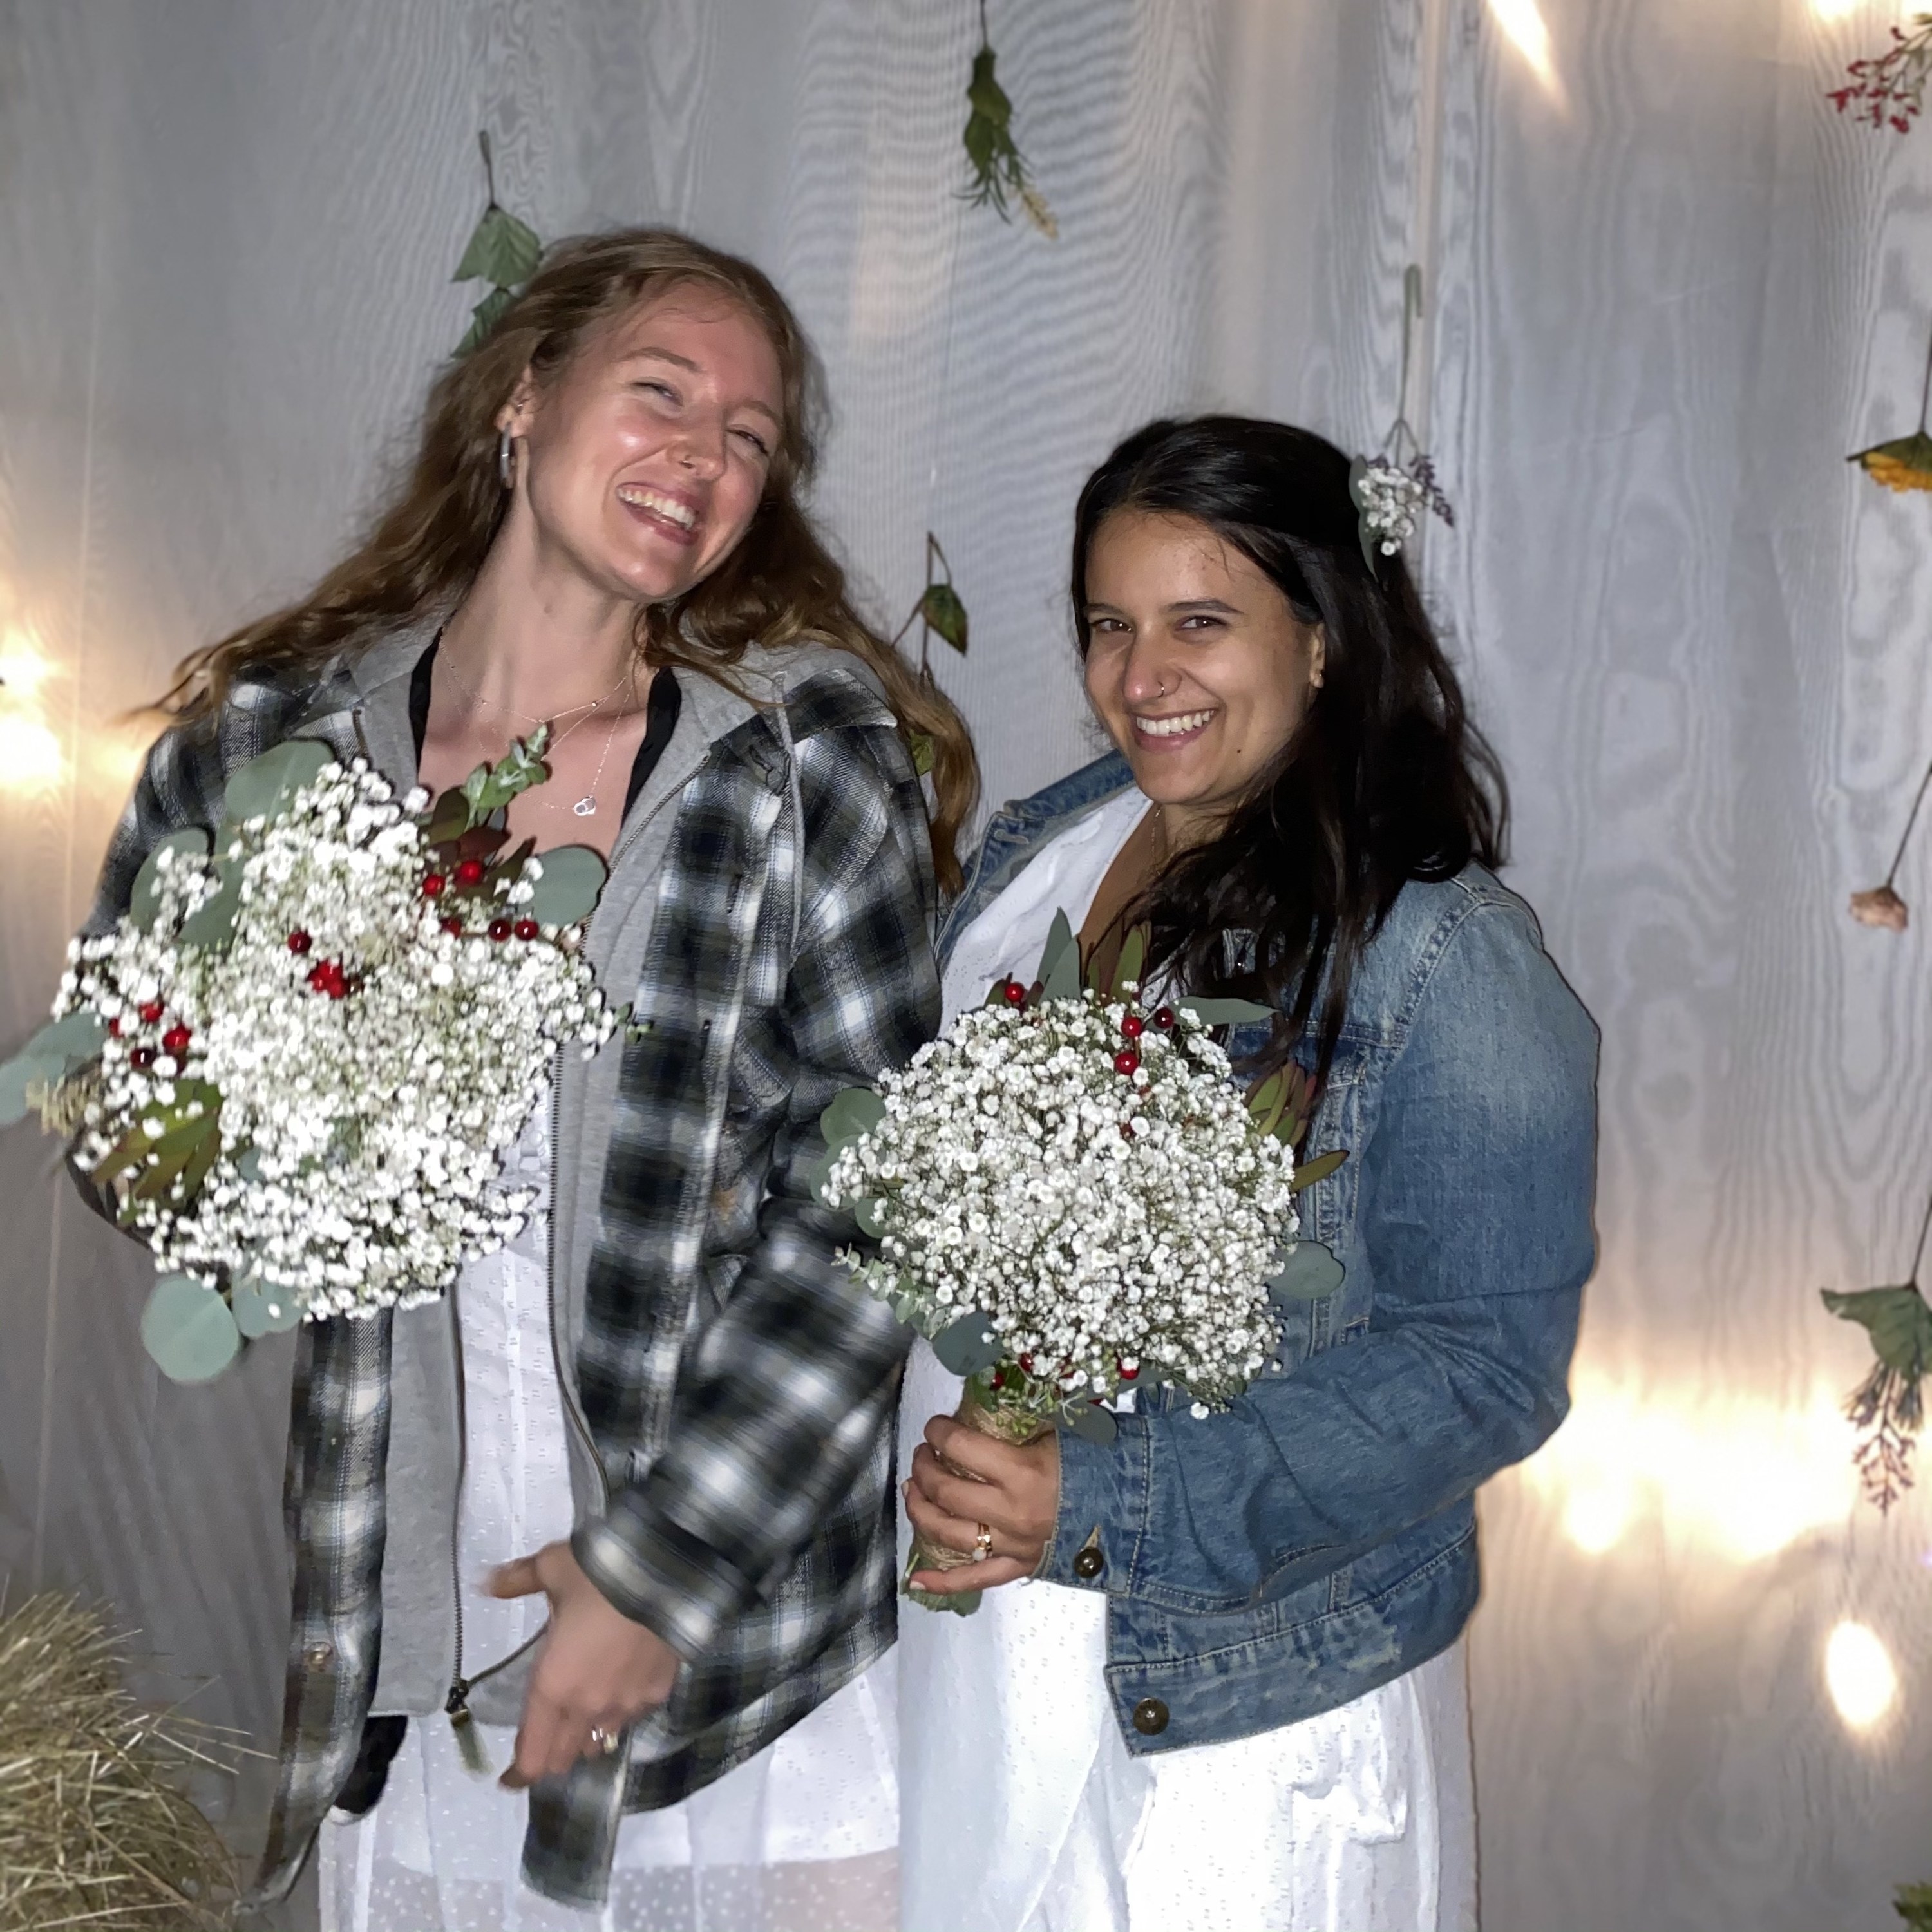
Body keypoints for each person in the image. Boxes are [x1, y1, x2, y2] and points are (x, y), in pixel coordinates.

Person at [84, 229, 975, 1930]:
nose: (707, 458)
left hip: (731, 1664)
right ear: (522, 397)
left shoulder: (795, 763)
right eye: (664, 393)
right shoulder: (265, 748)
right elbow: (127, 1116)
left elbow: (885, 1201)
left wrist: (656, 1574)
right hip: (414, 1613)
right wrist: (276, 1159)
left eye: (752, 438)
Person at [896, 415, 1598, 1932]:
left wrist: (1102, 1496)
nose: (1143, 678)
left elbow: (1484, 1372)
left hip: (1238, 1712)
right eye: (1109, 625)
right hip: (987, 1663)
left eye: (1200, 623)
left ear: (1326, 637)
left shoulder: (1443, 959)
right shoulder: (1045, 850)